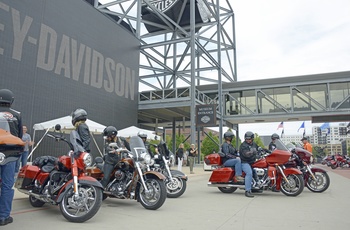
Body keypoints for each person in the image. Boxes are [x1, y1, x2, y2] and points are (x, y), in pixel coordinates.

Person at [0, 89, 22, 226]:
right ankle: (3, 216)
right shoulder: (17, 115)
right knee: (7, 186)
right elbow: (19, 136)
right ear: (11, 100)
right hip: (10, 155)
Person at [239, 131, 258, 198]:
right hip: (245, 162)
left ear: (252, 138)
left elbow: (258, 149)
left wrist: (267, 151)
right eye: (247, 139)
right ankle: (247, 191)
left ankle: (257, 185)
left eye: (249, 139)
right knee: (249, 173)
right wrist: (251, 152)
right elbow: (245, 154)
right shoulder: (243, 145)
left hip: (252, 162)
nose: (248, 140)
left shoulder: (254, 144)